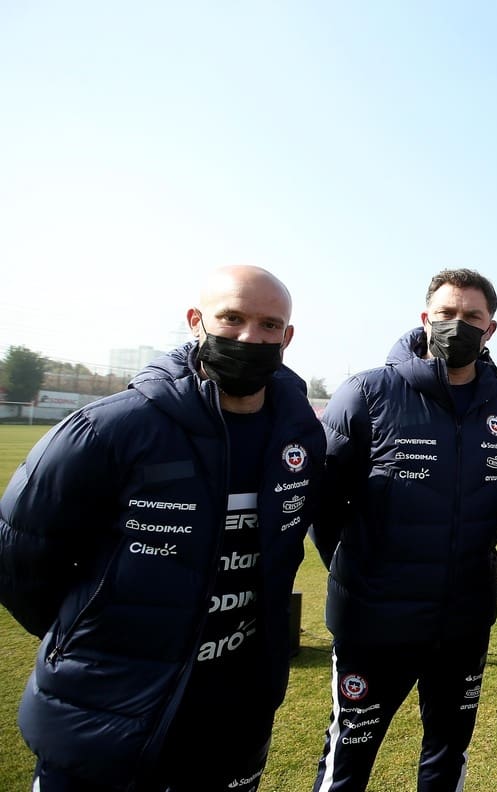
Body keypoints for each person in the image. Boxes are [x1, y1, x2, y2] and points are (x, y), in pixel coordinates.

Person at [0, 265, 324, 791]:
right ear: (196, 321)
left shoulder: (300, 439)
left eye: (269, 325)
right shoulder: (110, 428)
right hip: (108, 709)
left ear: (287, 338)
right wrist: (92, 637)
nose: (250, 337)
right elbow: (21, 561)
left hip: (233, 712)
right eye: (232, 318)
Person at [309, 268, 497, 792]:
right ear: (426, 318)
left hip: (464, 622)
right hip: (374, 621)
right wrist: (367, 578)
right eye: (447, 314)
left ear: (490, 329)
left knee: (448, 755)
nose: (458, 324)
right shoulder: (367, 391)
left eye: (472, 316)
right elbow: (324, 509)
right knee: (348, 763)